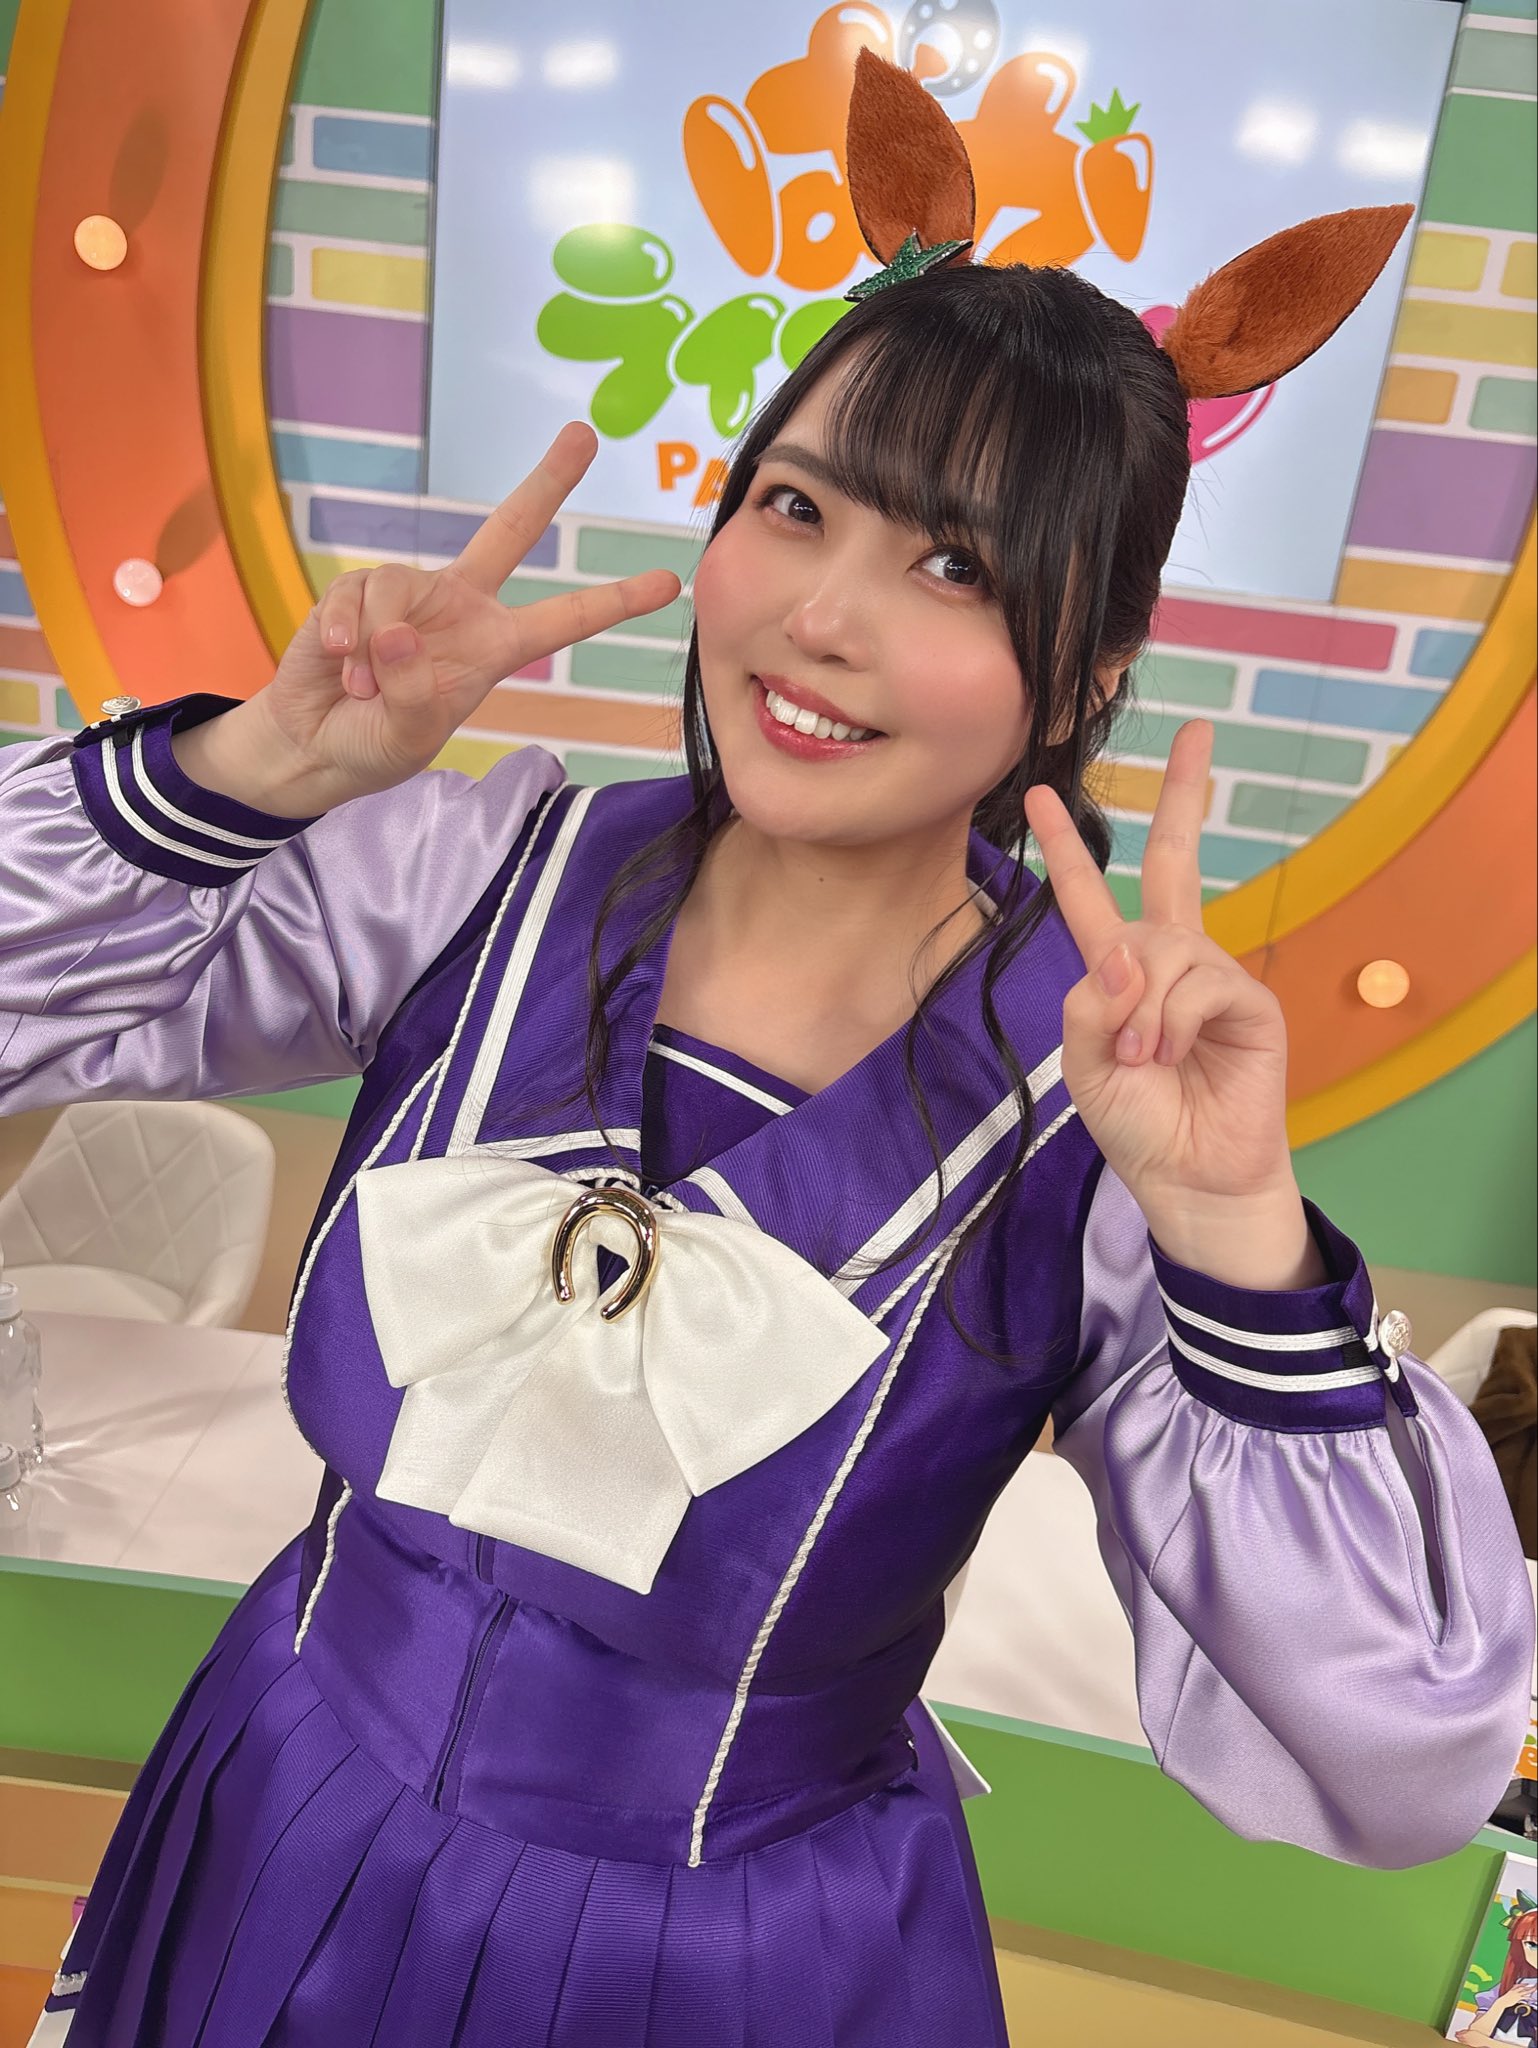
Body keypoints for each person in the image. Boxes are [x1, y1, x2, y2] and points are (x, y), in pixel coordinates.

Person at [4, 53, 1533, 2048]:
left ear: (1088, 673)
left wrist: (1237, 1231)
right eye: (794, 506)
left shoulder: (1098, 1114)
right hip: (283, 1809)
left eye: (954, 567)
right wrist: (257, 769)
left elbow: (1402, 1755)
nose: (819, 617)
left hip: (725, 1964)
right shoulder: (477, 874)